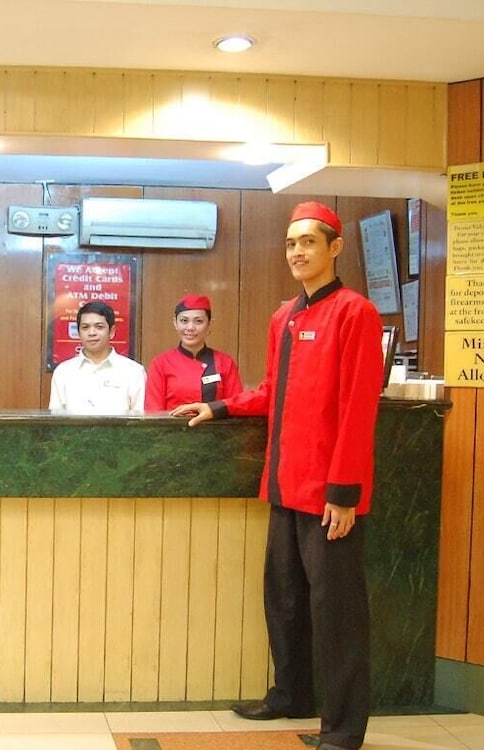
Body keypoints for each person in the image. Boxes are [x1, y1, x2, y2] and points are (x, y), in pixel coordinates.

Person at [174, 202, 383, 750]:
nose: (297, 252)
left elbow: (358, 407)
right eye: (291, 243)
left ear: (335, 248)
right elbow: (271, 391)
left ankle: (343, 729)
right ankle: (291, 695)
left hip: (330, 494)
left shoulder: (355, 313)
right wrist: (219, 407)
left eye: (308, 242)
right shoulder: (283, 316)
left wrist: (345, 492)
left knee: (336, 612)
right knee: (284, 598)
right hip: (285, 485)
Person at [144, 293, 243, 411]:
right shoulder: (160, 364)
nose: (190, 327)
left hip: (216, 424)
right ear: (175, 323)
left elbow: (235, 407)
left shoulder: (225, 363)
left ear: (209, 324)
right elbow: (154, 413)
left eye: (198, 321)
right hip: (171, 423)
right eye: (184, 321)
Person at [48, 300, 146, 415]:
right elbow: (55, 420)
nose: (92, 333)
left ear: (112, 332)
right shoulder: (63, 372)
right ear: (78, 332)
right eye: (85, 327)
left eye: (99, 327)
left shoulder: (134, 372)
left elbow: (140, 420)